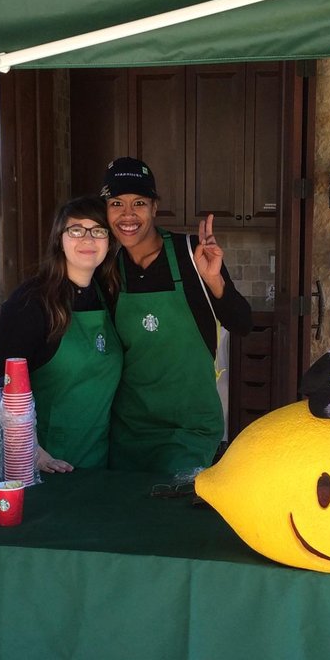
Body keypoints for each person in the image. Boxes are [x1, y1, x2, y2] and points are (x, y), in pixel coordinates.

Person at [100, 156, 252, 473]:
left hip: (189, 428)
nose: (127, 214)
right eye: (117, 203)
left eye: (139, 202)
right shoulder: (108, 268)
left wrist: (214, 280)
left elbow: (243, 323)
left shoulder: (191, 253)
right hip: (129, 429)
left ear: (155, 207)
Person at [0, 196, 123, 472]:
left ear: (108, 242)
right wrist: (33, 451)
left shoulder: (108, 296)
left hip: (95, 456)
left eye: (98, 231)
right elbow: (3, 385)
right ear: (59, 240)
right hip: (38, 460)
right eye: (76, 230)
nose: (88, 239)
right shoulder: (30, 302)